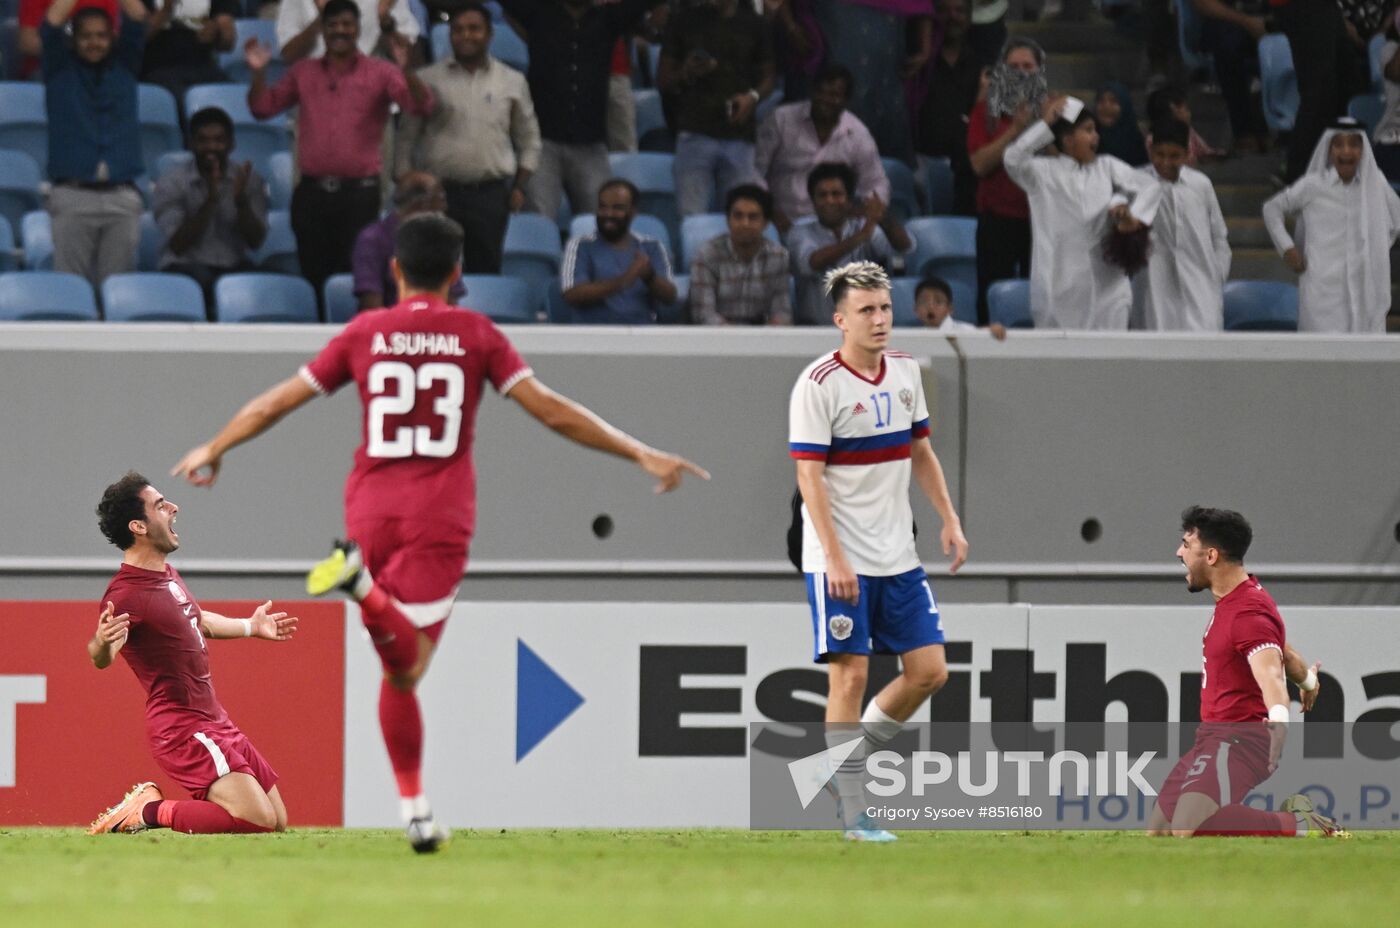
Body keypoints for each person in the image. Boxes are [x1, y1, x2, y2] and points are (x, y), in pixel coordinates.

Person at [171, 214, 707, 851]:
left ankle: (416, 809)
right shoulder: (477, 335)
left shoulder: (365, 331)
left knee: (397, 675)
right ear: (459, 275)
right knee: (410, 665)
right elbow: (553, 412)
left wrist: (216, 445)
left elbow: (278, 402)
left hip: (368, 509)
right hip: (438, 517)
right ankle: (362, 589)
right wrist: (641, 452)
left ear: (394, 271)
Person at [787, 260, 968, 842]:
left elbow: (921, 453)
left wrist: (949, 518)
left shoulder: (906, 372)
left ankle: (835, 768)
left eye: (885, 307)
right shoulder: (818, 384)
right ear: (841, 319)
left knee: (929, 672)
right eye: (866, 310)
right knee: (851, 677)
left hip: (898, 554)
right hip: (838, 557)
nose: (880, 319)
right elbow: (809, 479)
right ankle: (853, 813)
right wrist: (835, 559)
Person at [86, 472, 298, 836]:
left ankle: (159, 811)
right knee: (254, 819)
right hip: (181, 727)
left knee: (276, 820)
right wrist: (103, 641)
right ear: (138, 526)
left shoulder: (166, 574)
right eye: (160, 505)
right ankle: (147, 811)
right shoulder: (124, 594)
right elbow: (100, 655)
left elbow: (197, 620)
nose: (173, 508)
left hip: (213, 720)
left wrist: (250, 626)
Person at [1146, 506, 1341, 838]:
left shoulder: (1247, 612)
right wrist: (1308, 681)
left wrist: (1279, 720)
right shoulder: (1240, 601)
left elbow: (1271, 676)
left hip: (1240, 738)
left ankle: (1300, 824)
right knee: (1160, 831)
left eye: (1186, 544)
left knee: (1185, 826)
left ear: (1210, 555)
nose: (1178, 552)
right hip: (1213, 737)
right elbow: (1284, 653)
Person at [247, 0, 433, 298]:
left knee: (360, 277)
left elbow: (422, 105)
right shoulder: (303, 73)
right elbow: (261, 108)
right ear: (323, 29)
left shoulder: (381, 72)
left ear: (358, 29)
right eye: (333, 25)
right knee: (315, 277)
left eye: (347, 24)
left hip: (359, 196)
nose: (340, 31)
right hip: (311, 195)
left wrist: (406, 70)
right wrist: (258, 74)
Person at [394, 2, 541, 274]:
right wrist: (406, 179)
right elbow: (405, 138)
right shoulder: (427, 79)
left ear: (489, 34)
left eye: (474, 29)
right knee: (434, 270)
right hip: (437, 195)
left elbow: (529, 138)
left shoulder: (512, 80)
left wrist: (520, 185)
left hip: (490, 195)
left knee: (486, 269)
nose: (466, 36)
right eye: (458, 29)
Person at [1003, 95, 1162, 329]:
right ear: (1068, 140)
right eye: (1088, 130)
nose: (1096, 136)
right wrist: (1046, 123)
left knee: (1110, 359)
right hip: (1058, 287)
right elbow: (1013, 158)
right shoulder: (1042, 173)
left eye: (1095, 130)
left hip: (1109, 286)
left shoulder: (1106, 167)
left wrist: (1134, 217)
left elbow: (1150, 186)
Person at [498, 0, 663, 220]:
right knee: (539, 221)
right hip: (542, 143)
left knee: (603, 221)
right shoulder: (538, 13)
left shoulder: (609, 18)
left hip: (591, 145)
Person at [41, 0, 149, 291]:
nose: (94, 43)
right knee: (69, 290)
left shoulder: (126, 66)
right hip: (72, 195)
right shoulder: (59, 70)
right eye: (86, 36)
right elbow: (50, 23)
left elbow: (138, 18)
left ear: (112, 38)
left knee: (118, 292)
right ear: (73, 40)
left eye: (101, 35)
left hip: (121, 196)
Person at [1262, 119, 1400, 332]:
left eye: (1354, 144)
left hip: (1365, 294)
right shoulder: (1313, 185)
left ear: (1363, 150)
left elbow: (1396, 218)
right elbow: (1272, 209)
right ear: (1329, 150)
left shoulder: (1375, 183)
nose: (1347, 151)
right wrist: (1287, 248)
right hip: (1322, 296)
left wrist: (1378, 246)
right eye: (1339, 144)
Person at [656, 0, 775, 217]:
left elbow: (769, 77)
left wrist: (752, 97)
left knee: (739, 217)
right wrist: (687, 71)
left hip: (739, 134)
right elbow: (664, 82)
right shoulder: (683, 20)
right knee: (691, 219)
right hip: (694, 131)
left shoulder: (756, 24)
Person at [152, 106, 269, 313]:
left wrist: (241, 202)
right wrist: (211, 200)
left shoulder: (248, 180)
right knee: (204, 281)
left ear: (231, 144)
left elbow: (256, 241)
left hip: (233, 265)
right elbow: (178, 245)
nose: (211, 147)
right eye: (203, 140)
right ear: (190, 143)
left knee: (268, 284)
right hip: (185, 265)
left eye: (219, 140)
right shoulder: (171, 182)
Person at [754, 64, 890, 233]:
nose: (825, 99)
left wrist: (865, 209)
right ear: (812, 92)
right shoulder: (780, 120)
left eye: (834, 95)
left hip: (832, 227)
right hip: (778, 222)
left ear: (846, 101)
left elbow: (875, 182)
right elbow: (754, 172)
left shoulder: (858, 133)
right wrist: (769, 209)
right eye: (820, 92)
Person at [966, 37, 1045, 325]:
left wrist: (1043, 124)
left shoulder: (1052, 113)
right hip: (996, 222)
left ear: (1039, 71)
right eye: (1014, 66)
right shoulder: (984, 113)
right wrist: (1015, 130)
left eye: (1028, 66)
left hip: (1041, 222)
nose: (1021, 72)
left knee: (1037, 300)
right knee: (990, 299)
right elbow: (979, 165)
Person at [787, 162, 912, 325]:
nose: (829, 200)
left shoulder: (864, 227)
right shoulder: (800, 231)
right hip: (815, 329)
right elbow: (811, 263)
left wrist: (882, 218)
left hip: (862, 329)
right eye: (822, 195)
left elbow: (904, 247)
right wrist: (860, 236)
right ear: (813, 200)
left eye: (836, 194)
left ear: (849, 199)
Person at [1134, 118, 1230, 331]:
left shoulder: (1201, 184)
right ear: (1150, 151)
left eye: (1174, 156)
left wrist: (1216, 275)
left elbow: (1219, 236)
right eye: (1159, 154)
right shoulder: (1135, 181)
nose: (1166, 162)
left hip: (1200, 286)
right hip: (1153, 286)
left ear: (1187, 154)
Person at [1275, 0, 1369, 183]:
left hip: (1324, 6)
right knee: (1319, 92)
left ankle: (1340, 167)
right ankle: (1297, 175)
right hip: (1306, 7)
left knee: (1348, 85)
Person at [561, 178, 677, 324]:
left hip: (642, 335)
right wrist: (624, 280)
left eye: (617, 208)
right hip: (593, 335)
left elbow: (670, 297)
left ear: (633, 212)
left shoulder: (652, 246)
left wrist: (649, 276)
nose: (608, 214)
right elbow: (572, 294)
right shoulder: (580, 245)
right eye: (603, 207)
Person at [352, 171, 464, 310]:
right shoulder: (372, 239)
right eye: (441, 198)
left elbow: (451, 301)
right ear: (422, 204)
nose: (445, 207)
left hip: (437, 324)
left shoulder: (443, 236)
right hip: (389, 325)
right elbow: (371, 304)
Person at [689, 184, 792, 325]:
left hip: (764, 338)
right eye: (738, 216)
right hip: (717, 339)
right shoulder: (707, 254)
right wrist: (740, 340)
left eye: (753, 217)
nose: (745, 223)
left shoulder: (779, 257)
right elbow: (704, 315)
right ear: (728, 220)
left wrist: (764, 338)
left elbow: (782, 312)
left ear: (766, 223)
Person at [915, 0, 981, 216]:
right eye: (943, 11)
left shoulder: (980, 64)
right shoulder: (917, 61)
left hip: (967, 170)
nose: (952, 17)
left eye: (959, 11)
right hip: (921, 164)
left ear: (969, 18)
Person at [1190, 0, 1269, 155]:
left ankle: (1292, 130)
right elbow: (1203, 4)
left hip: (1280, 16)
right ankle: (1244, 131)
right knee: (1227, 47)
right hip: (1229, 18)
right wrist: (1248, 22)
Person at [138, 0, 237, 109]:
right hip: (157, 69)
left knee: (235, 102)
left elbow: (228, 43)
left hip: (204, 66)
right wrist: (165, 10)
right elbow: (135, 38)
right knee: (185, 104)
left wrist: (217, 31)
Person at [276, 0, 419, 63]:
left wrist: (385, 20)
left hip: (373, 96)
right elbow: (289, 55)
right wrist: (322, 19)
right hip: (315, 95)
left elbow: (409, 58)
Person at [1144, 85, 1224, 167]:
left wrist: (1221, 155)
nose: (1189, 114)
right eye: (1185, 109)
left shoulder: (1189, 132)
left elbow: (1205, 152)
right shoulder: (1152, 139)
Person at [914, 275, 1006, 338]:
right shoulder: (912, 336)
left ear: (950, 309)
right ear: (915, 310)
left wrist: (993, 330)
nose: (931, 306)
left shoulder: (964, 331)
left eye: (938, 301)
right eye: (924, 301)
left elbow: (982, 333)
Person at [1094, 81, 1147, 167]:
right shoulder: (1089, 140)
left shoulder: (1137, 143)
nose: (1106, 106)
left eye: (1113, 101)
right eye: (1101, 101)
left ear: (1125, 106)